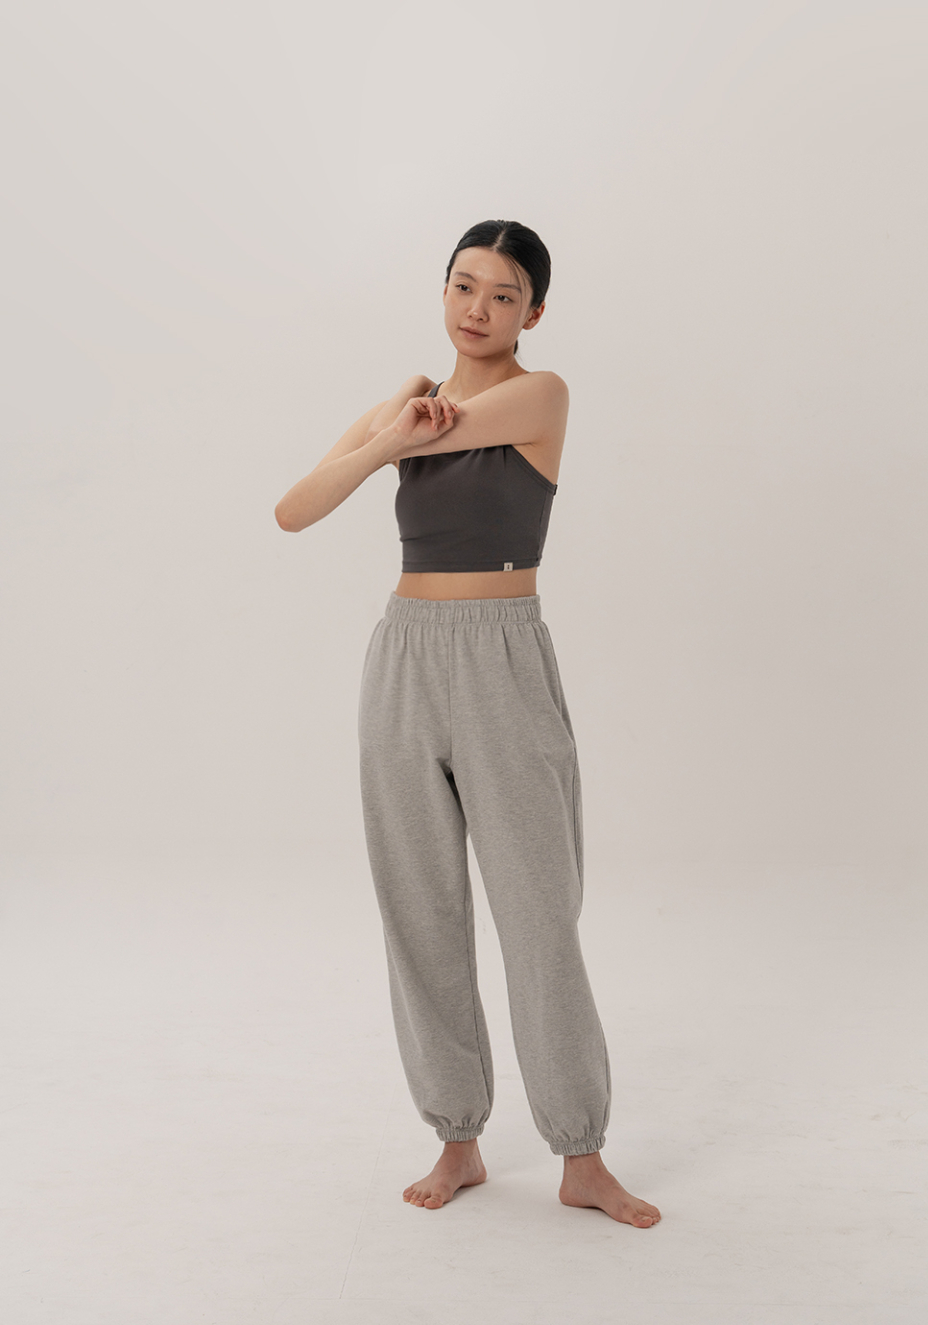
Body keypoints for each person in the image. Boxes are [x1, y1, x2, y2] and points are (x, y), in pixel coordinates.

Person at [275, 219, 661, 1230]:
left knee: (539, 912)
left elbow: (441, 433)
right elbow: (294, 509)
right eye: (462, 285)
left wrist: (396, 434)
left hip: (503, 657)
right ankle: (458, 1137)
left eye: (502, 294)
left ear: (534, 311)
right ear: (442, 290)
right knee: (419, 907)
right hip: (403, 658)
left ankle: (581, 1153)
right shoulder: (408, 405)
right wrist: (387, 434)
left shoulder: (542, 394)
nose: (477, 309)